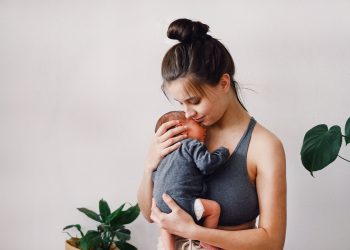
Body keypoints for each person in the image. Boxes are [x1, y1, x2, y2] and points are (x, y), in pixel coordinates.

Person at [137, 18, 286, 250]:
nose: (188, 113)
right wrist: (149, 166)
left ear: (224, 83)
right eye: (181, 103)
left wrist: (195, 232)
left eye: (194, 101)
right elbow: (150, 214)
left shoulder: (264, 146)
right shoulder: (184, 132)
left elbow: (272, 242)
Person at [152, 111, 229, 250]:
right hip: (182, 202)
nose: (204, 128)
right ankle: (206, 242)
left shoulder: (163, 157)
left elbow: (154, 176)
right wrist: (222, 152)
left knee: (165, 225)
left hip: (160, 204)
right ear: (182, 128)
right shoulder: (191, 144)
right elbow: (206, 165)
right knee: (214, 209)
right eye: (198, 124)